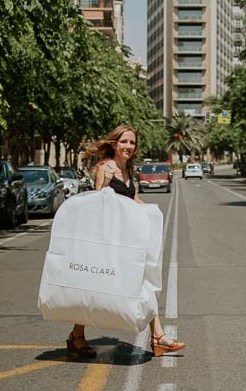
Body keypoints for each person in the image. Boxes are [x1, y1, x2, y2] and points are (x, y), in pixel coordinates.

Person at [66, 125, 187, 360]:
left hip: (128, 238)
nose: (128, 147)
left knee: (143, 281)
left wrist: (152, 211)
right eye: (124, 142)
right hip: (110, 239)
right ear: (114, 144)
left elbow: (133, 199)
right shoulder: (106, 168)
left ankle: (158, 337)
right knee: (93, 286)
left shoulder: (128, 169)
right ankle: (76, 335)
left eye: (132, 143)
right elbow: (97, 203)